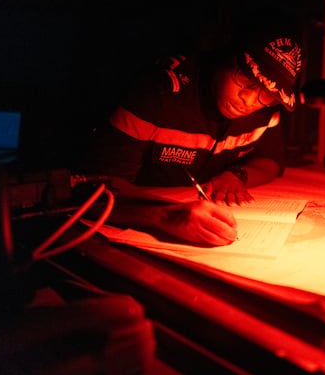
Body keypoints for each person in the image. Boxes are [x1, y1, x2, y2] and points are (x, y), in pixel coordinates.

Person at [80, 22, 305, 248]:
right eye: (245, 79)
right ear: (225, 57)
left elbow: (271, 161)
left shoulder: (266, 111)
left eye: (266, 93)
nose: (248, 100)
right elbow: (95, 191)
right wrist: (166, 216)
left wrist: (237, 174)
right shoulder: (159, 95)